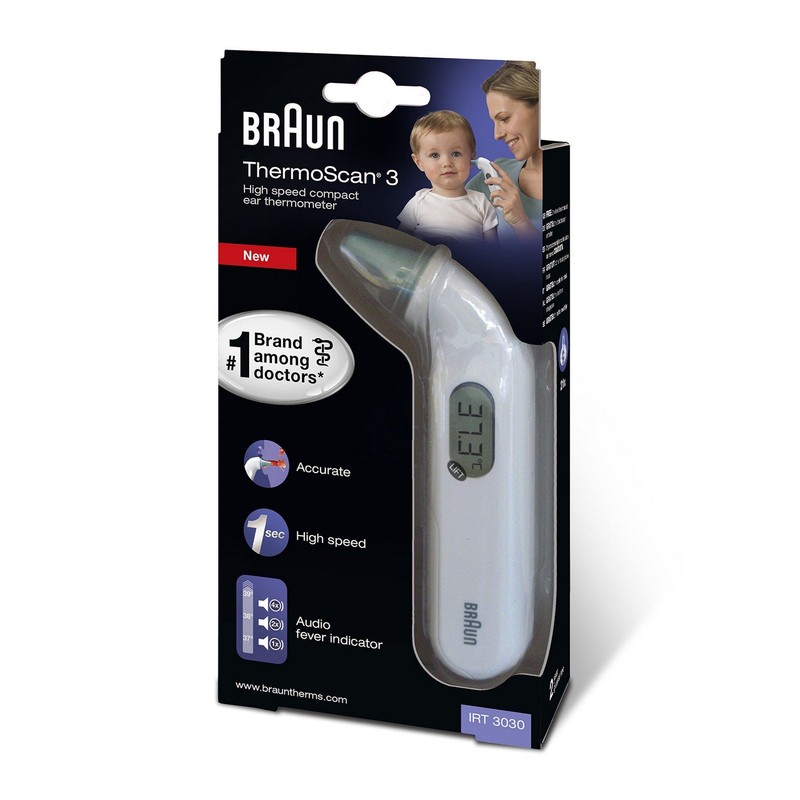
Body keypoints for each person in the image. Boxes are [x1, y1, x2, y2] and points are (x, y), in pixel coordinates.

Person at [466, 61, 542, 244]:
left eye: (504, 118)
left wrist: (520, 222)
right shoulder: (493, 177)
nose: (497, 134)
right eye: (494, 122)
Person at [398, 110, 498, 245]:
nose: (447, 163)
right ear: (419, 162)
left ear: (471, 157)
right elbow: (399, 244)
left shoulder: (481, 203)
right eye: (434, 155)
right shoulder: (417, 203)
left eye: (456, 154)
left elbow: (494, 250)